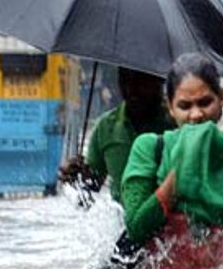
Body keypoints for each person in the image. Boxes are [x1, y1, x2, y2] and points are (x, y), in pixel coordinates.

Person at [118, 53, 223, 269]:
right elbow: (136, 227)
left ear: (220, 100)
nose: (196, 115)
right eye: (185, 106)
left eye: (205, 102)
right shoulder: (151, 148)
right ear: (170, 107)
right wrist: (178, 178)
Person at [58, 66, 174, 205]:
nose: (132, 91)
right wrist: (76, 178)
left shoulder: (176, 124)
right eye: (125, 81)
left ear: (159, 82)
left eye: (141, 82)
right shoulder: (106, 128)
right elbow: (89, 192)